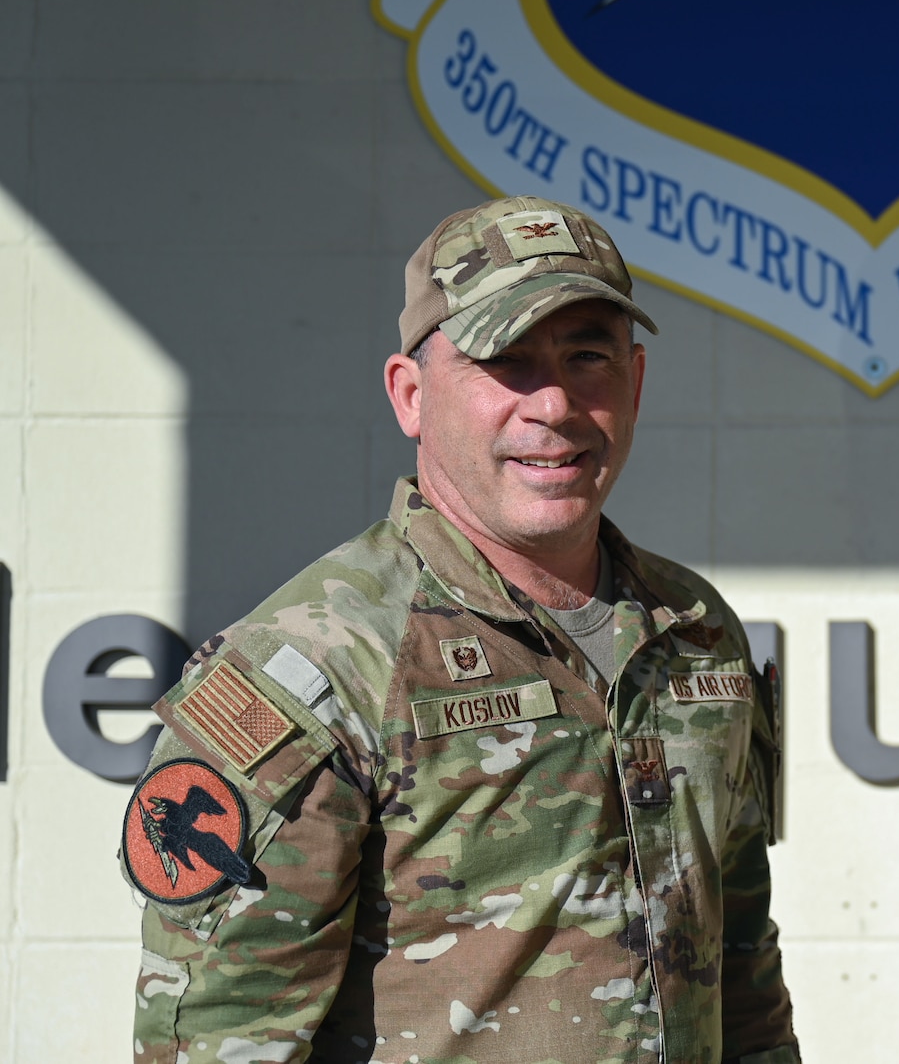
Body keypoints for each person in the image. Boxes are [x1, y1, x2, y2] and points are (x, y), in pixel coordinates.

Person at [122, 197, 798, 1064]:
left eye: (586, 355)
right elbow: (215, 1040)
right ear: (410, 394)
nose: (552, 402)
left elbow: (739, 972)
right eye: (505, 361)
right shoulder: (316, 666)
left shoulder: (696, 633)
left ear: (634, 382)